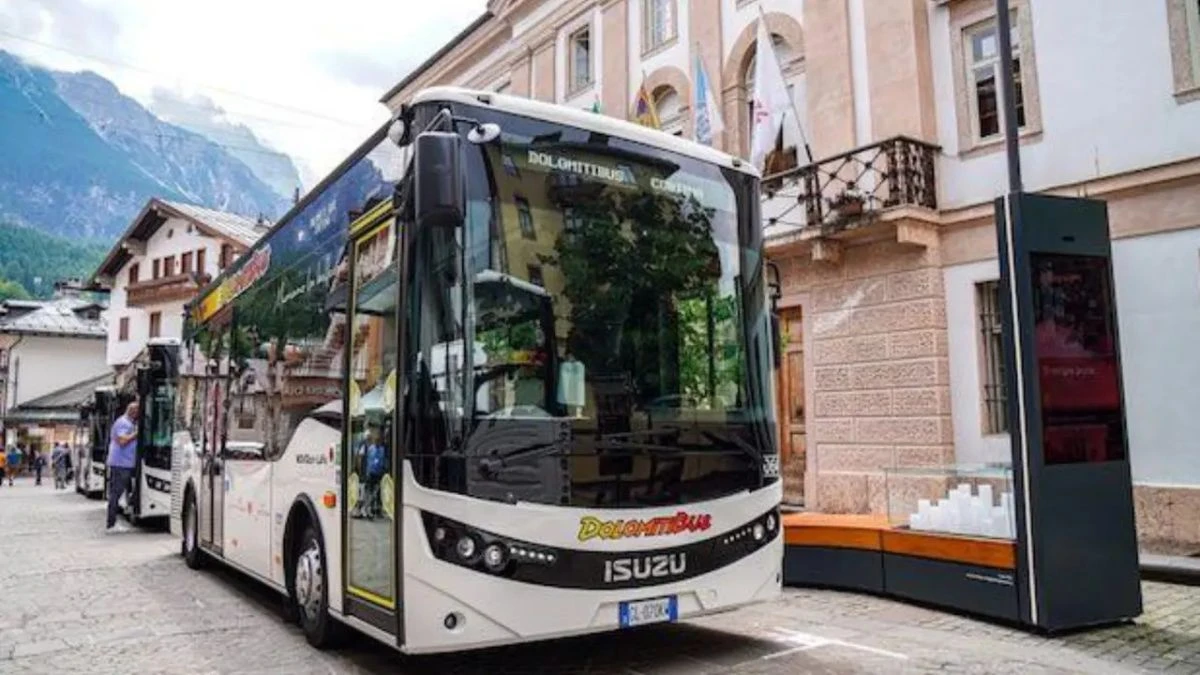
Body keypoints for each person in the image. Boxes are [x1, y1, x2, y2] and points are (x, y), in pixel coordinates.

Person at [106, 401, 139, 533]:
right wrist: (136, 434)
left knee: (119, 492)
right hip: (121, 463)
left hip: (124, 462)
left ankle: (112, 522)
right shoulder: (123, 422)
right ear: (132, 411)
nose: (138, 415)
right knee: (116, 493)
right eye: (137, 412)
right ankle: (111, 524)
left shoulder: (127, 422)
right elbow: (122, 441)